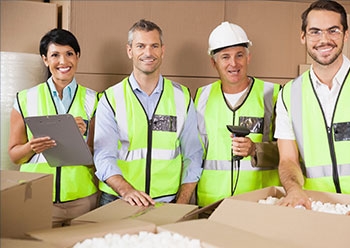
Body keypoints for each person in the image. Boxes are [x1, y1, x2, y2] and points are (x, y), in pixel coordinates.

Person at [275, 0, 350, 219]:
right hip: (318, 212)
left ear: (346, 34)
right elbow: (288, 160)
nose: (324, 40)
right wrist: (294, 190)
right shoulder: (288, 94)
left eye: (333, 30)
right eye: (314, 32)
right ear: (303, 36)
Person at [93, 19, 203, 207]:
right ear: (130, 51)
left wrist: (182, 201)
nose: (148, 53)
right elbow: (103, 156)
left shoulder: (182, 97)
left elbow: (193, 154)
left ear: (163, 50)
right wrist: (127, 190)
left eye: (154, 46)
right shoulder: (110, 99)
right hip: (118, 199)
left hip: (168, 201)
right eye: (140, 46)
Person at [8, 28, 100, 227]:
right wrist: (33, 146)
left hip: (82, 200)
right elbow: (15, 155)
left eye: (69, 54)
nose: (63, 62)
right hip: (38, 198)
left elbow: (98, 156)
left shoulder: (95, 100)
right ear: (45, 59)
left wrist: (79, 138)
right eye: (55, 55)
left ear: (78, 56)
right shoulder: (24, 99)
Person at [194, 21, 281, 207]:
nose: (233, 63)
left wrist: (254, 150)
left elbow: (292, 152)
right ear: (213, 62)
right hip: (211, 203)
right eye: (225, 57)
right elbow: (193, 153)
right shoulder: (202, 97)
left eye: (239, 55)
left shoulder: (273, 94)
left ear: (248, 57)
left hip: (260, 203)